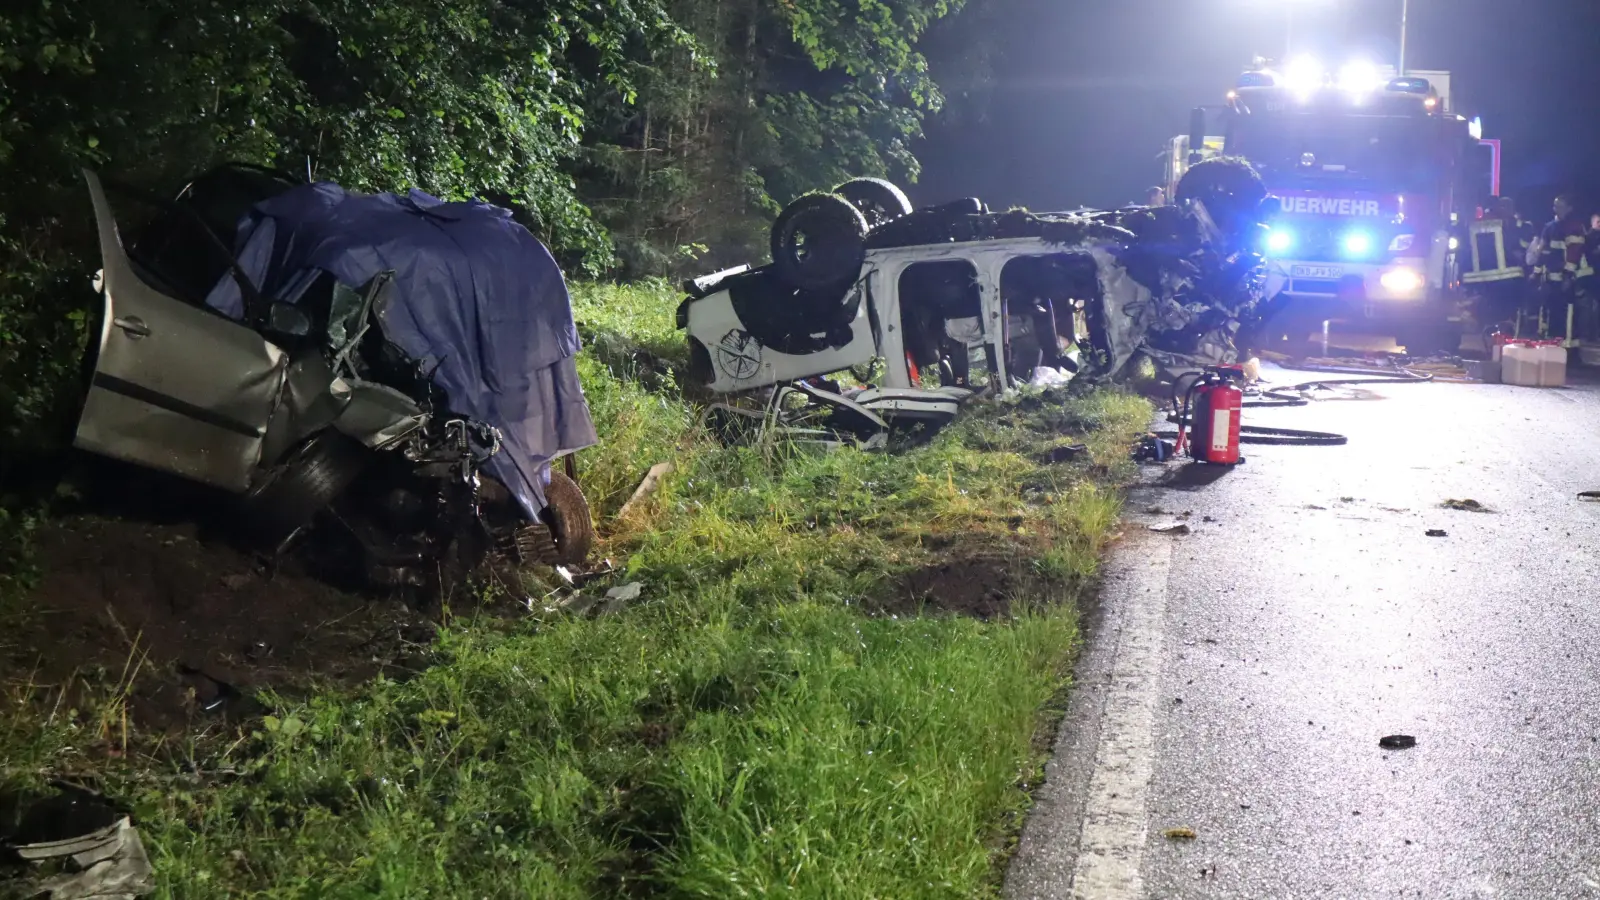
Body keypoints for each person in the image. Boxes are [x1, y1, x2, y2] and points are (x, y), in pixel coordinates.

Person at [1531, 193, 1594, 338]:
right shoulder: (1549, 227)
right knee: (1554, 310)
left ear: (1570, 208)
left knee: (1571, 312)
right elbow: (1542, 251)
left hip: (1574, 277)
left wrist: (1567, 276)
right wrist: (1536, 272)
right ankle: (1555, 340)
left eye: (1560, 206)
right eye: (1555, 206)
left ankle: (1571, 347)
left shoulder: (1574, 227)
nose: (1556, 209)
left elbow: (1574, 253)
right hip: (1554, 277)